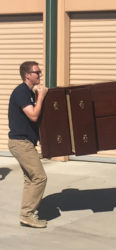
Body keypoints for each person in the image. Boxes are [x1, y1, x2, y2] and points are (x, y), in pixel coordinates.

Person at [8, 61, 48, 228]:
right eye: (37, 72)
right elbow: (33, 115)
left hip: (25, 143)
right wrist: (41, 97)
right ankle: (27, 214)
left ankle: (27, 213)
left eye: (40, 72)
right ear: (27, 75)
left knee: (30, 180)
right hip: (20, 143)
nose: (40, 75)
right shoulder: (21, 92)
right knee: (40, 178)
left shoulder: (28, 92)